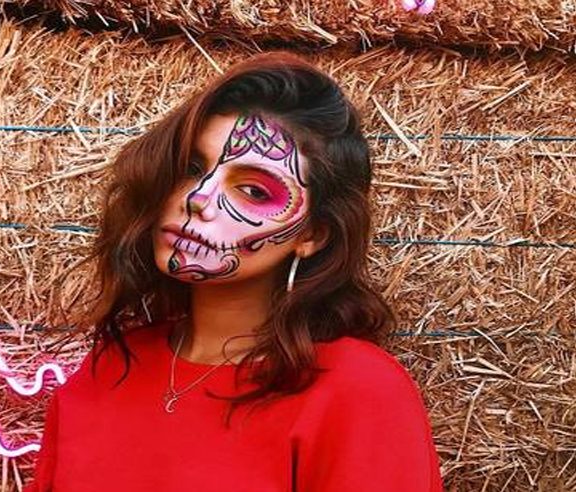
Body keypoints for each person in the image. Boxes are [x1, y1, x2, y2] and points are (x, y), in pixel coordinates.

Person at [24, 51, 444, 491]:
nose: (198, 198)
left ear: (312, 235)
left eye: (253, 190)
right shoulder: (108, 368)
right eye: (191, 168)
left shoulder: (356, 390)